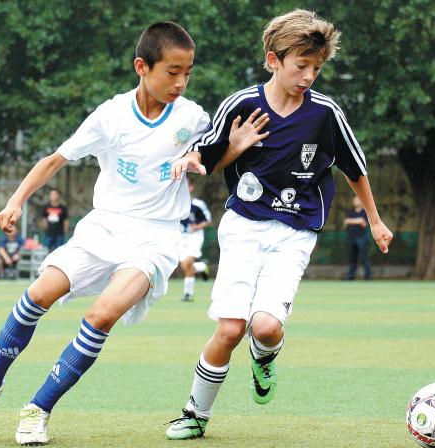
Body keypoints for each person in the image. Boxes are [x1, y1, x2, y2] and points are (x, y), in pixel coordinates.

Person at [0, 21, 209, 446]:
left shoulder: (193, 117)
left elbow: (211, 148)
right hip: (103, 226)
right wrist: (15, 201)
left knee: (101, 316)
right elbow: (55, 159)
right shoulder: (111, 114)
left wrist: (200, 155)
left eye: (187, 72)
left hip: (155, 238)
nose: (181, 82)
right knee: (37, 295)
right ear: (142, 66)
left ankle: (38, 409)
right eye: (172, 72)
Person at [166, 9, 393, 439]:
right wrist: (190, 158)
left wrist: (376, 222)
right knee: (231, 327)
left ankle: (265, 357)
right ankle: (195, 413)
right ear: (273, 59)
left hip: (296, 229)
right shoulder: (241, 104)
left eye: (316, 68)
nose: (308, 76)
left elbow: (355, 169)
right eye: (300, 65)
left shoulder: (325, 113)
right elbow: (206, 156)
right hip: (244, 223)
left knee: (265, 327)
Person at [179, 178, 212, 301]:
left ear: (191, 188)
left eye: (186, 186)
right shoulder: (175, 204)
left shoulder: (198, 204)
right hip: (181, 238)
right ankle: (202, 267)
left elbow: (208, 220)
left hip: (195, 236)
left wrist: (197, 226)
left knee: (188, 263)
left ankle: (188, 294)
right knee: (185, 266)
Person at [344, 195, 372, 280]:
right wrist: (357, 221)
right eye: (354, 200)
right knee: (352, 258)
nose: (355, 201)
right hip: (351, 237)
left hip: (362, 238)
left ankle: (367, 277)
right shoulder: (350, 212)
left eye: (357, 200)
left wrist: (351, 221)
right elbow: (345, 222)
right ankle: (350, 277)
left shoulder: (365, 212)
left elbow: (363, 223)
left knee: (364, 258)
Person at [41, 188, 69, 252]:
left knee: (59, 250)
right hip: (49, 233)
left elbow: (66, 220)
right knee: (45, 249)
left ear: (58, 196)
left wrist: (65, 230)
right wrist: (45, 227)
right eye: (52, 194)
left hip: (59, 233)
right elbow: (44, 218)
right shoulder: (46, 207)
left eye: (55, 194)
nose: (53, 196)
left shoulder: (63, 208)